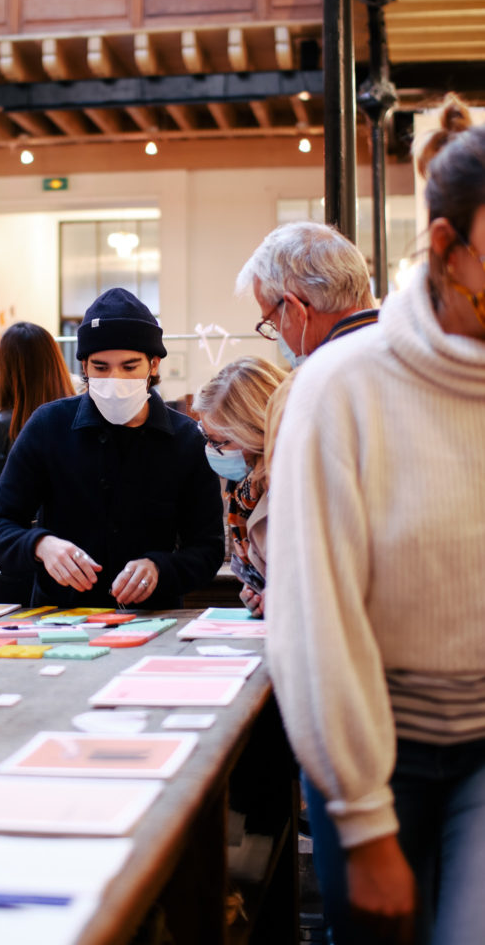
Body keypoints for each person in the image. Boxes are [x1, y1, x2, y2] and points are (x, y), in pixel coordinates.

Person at [266, 96, 485, 944]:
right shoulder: (343, 387)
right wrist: (362, 821)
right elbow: (312, 619)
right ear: (444, 246)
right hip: (371, 748)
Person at [0, 287, 225, 610]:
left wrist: (159, 568)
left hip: (153, 617)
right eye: (101, 367)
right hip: (63, 619)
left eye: (129, 366)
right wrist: (41, 544)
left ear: (153, 365)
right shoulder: (48, 426)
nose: (114, 379)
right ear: (84, 366)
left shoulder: (186, 439)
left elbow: (207, 548)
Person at [235, 220, 379, 474]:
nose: (277, 334)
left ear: (293, 309)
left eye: (272, 321)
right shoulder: (427, 355)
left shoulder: (302, 393)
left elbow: (294, 509)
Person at [0, 321, 75, 603]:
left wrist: (11, 556)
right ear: (55, 361)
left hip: (19, 580)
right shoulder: (80, 420)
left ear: (8, 370)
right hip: (79, 574)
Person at [192, 357, 286, 616]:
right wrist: (258, 592)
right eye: (206, 438)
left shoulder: (295, 480)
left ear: (255, 432)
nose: (211, 450)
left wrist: (285, 595)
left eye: (220, 442)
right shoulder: (244, 489)